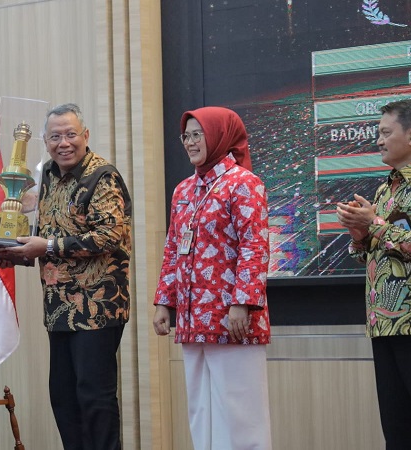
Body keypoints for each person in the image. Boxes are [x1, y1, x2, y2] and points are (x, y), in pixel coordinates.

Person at [0, 103, 132, 450]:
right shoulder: (47, 177)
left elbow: (108, 235)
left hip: (98, 309)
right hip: (59, 308)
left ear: (85, 136)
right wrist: (9, 245)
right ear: (45, 141)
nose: (64, 142)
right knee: (63, 397)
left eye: (71, 134)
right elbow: (38, 231)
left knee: (95, 398)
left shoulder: (102, 176)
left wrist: (47, 245)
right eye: (55, 136)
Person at [153, 106, 272, 450]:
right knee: (200, 410)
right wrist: (164, 300)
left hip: (233, 318)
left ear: (219, 136)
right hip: (193, 318)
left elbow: (255, 246)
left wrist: (242, 303)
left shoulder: (244, 184)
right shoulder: (183, 190)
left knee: (241, 414)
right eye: (185, 136)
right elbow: (174, 246)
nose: (190, 143)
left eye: (197, 134)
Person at [336, 99, 411, 450]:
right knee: (397, 434)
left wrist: (373, 224)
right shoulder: (384, 189)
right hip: (385, 324)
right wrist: (360, 236)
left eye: (385, 132)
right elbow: (373, 253)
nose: (377, 140)